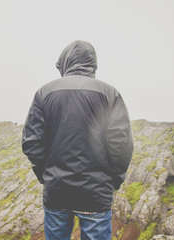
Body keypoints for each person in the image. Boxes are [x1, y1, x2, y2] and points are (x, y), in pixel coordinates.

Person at [22, 40, 133, 240]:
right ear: (93, 63)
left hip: (57, 190)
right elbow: (121, 144)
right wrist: (112, 180)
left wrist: (46, 176)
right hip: (95, 192)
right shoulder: (110, 94)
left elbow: (32, 143)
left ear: (66, 61)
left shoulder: (44, 93)